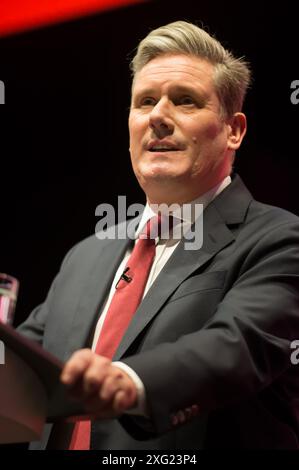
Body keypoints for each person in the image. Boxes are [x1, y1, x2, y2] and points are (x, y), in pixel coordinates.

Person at [18, 20, 299, 449]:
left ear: (233, 130)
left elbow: (234, 346)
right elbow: (23, 371)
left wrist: (127, 381)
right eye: (145, 101)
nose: (158, 117)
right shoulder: (85, 256)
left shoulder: (279, 240)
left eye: (184, 101)